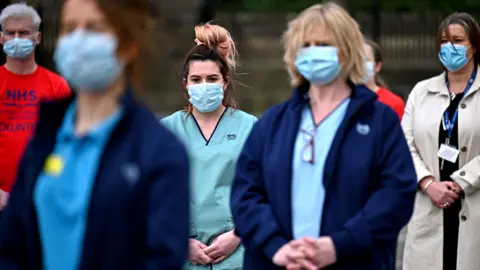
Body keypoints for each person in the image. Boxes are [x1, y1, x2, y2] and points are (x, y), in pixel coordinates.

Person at [0, 0, 190, 269]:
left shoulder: (158, 152)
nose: (78, 40)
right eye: (69, 29)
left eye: (93, 28)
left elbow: (162, 258)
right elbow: (13, 243)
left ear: (128, 45)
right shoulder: (46, 135)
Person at [230, 3, 417, 270]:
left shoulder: (379, 121)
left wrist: (338, 245)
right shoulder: (273, 123)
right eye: (306, 44)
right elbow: (245, 194)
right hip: (278, 262)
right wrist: (276, 246)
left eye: (324, 43)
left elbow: (395, 195)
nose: (314, 51)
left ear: (346, 50)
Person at [161, 23, 257, 270]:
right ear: (185, 84)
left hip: (238, 253)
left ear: (225, 82)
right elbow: (151, 197)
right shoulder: (166, 131)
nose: (204, 85)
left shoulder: (250, 127)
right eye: (196, 79)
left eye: (212, 78)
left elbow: (266, 191)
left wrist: (237, 235)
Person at [402, 12, 480, 270]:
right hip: (430, 203)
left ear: (474, 46)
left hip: (472, 202)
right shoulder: (421, 91)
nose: (450, 47)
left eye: (458, 41)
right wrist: (427, 182)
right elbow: (405, 143)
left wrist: (462, 181)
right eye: (444, 41)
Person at [0, 2, 71, 210]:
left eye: (23, 33)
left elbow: (64, 143)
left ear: (37, 38)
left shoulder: (58, 86)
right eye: (10, 33)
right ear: (1, 37)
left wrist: (51, 186)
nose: (16, 39)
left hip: (43, 197)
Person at [364, 39, 405, 119]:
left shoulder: (393, 102)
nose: (359, 64)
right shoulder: (342, 99)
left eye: (366, 60)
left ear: (377, 66)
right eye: (356, 59)